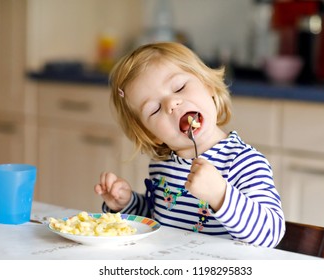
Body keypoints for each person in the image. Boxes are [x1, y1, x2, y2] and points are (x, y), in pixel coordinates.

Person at [94, 42, 285, 247]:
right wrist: (126, 204)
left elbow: (270, 234)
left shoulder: (244, 162)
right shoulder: (162, 165)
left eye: (179, 87)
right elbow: (158, 220)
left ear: (208, 85)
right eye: (154, 109)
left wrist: (220, 195)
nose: (171, 104)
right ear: (152, 135)